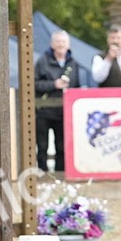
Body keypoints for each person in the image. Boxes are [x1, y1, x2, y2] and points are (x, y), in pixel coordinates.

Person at [34, 30, 75, 172]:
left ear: (68, 45)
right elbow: (33, 84)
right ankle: (42, 174)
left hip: (64, 113)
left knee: (62, 146)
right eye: (58, 41)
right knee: (42, 146)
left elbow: (77, 86)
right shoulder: (42, 61)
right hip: (43, 112)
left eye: (63, 41)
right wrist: (53, 84)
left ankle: (60, 175)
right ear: (52, 44)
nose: (61, 44)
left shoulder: (73, 63)